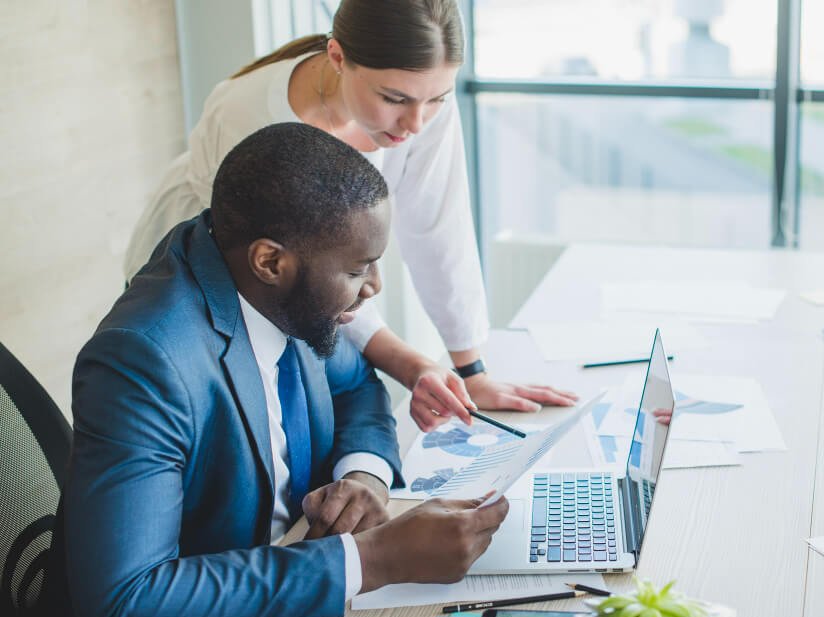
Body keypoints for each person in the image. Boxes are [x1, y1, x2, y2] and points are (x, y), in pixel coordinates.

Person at [42, 123, 509, 617]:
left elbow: (356, 385)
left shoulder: (281, 289)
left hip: (287, 595)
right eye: (358, 269)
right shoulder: (144, 361)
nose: (374, 285)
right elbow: (127, 605)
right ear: (271, 262)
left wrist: (363, 474)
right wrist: (372, 559)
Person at [123, 0, 577, 432]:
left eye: (438, 98)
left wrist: (470, 368)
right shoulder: (251, 120)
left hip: (309, 281)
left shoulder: (419, 95)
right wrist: (411, 365)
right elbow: (315, 279)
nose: (417, 123)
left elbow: (440, 227)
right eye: (394, 98)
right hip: (214, 279)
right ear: (338, 57)